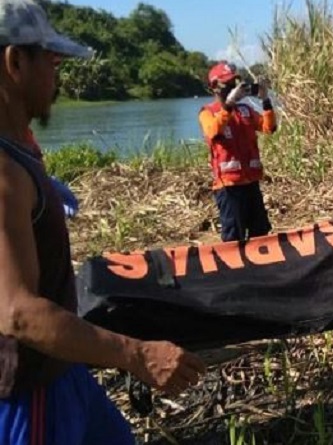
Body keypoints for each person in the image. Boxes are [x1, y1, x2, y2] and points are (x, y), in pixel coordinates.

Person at [0, 1, 206, 443]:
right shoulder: (3, 175)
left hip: (64, 371)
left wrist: (44, 190)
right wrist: (137, 354)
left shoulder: (18, 150)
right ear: (16, 61)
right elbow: (17, 313)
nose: (58, 80)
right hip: (28, 392)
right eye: (52, 63)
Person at [199, 61, 278, 242]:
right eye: (227, 84)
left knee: (260, 230)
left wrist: (265, 100)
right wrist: (229, 104)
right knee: (234, 236)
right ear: (215, 87)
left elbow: (269, 128)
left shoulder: (245, 110)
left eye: (234, 83)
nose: (232, 88)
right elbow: (213, 131)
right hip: (228, 187)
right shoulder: (208, 112)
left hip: (251, 182)